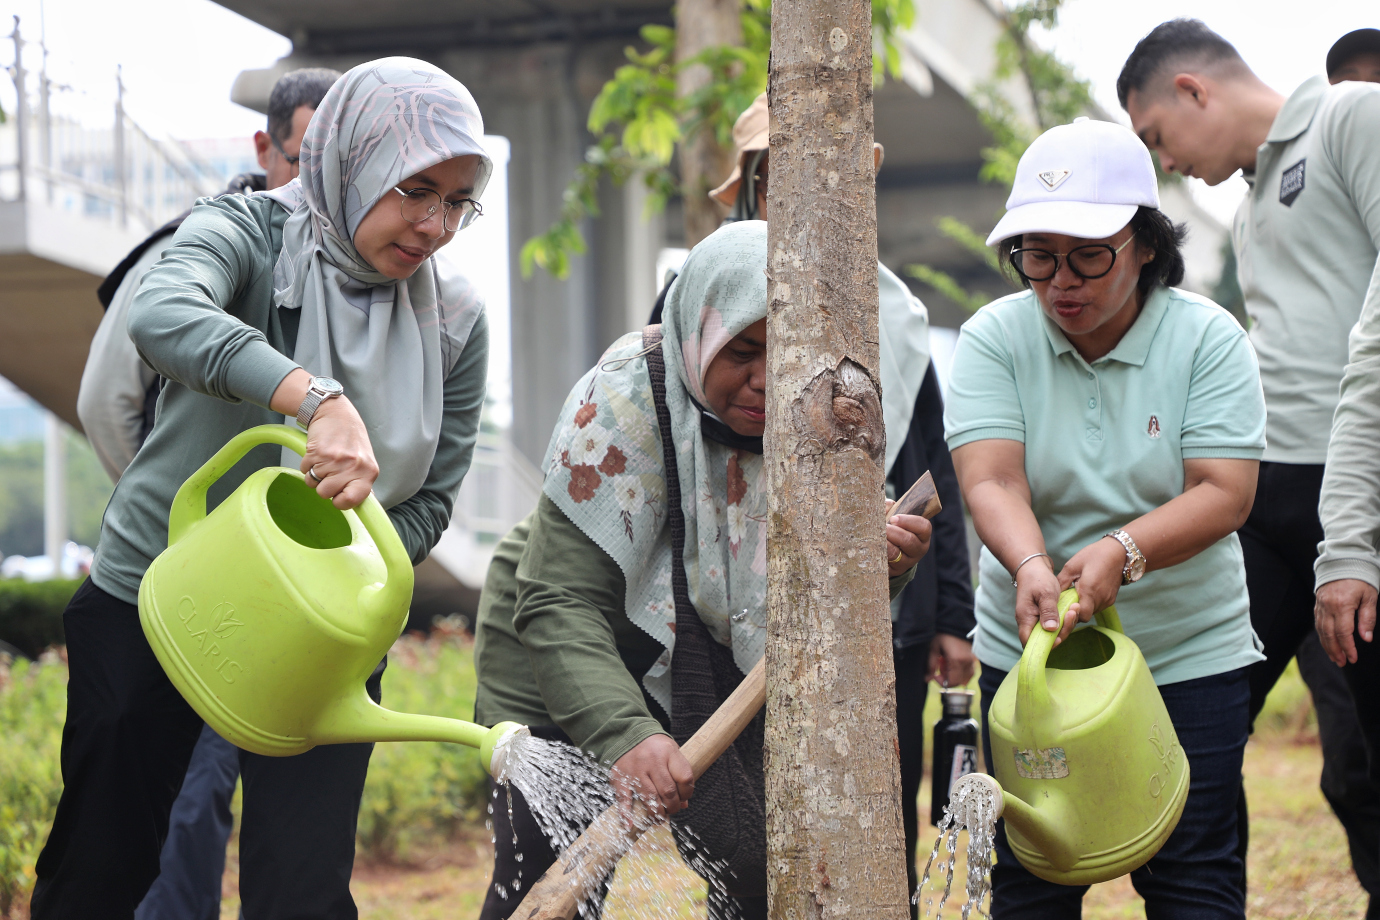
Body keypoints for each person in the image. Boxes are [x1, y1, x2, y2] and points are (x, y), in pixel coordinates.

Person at [32, 57, 492, 920]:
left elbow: (432, 496)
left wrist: (336, 578)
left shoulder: (456, 319)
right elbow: (163, 314)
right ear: (354, 158)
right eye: (415, 190)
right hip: (158, 599)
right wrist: (316, 398)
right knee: (103, 867)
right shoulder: (243, 232)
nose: (435, 225)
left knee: (303, 892)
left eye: (458, 202)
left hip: (318, 635)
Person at [473, 220, 935, 920]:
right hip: (566, 651)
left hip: (716, 664)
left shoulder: (824, 418)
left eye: (781, 358)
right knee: (556, 872)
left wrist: (885, 566)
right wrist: (628, 736)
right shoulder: (625, 396)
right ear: (699, 336)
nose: (761, 381)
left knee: (759, 867)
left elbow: (816, 592)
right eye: (741, 351)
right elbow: (558, 601)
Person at [657, 94, 976, 906]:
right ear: (749, 191)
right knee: (748, 818)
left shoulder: (892, 315)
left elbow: (930, 461)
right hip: (739, 605)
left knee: (877, 802)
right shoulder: (707, 305)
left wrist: (949, 615)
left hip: (883, 604)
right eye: (778, 178)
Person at [947, 116, 1266, 918]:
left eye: (1089, 255)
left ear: (1147, 244)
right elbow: (991, 481)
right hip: (1034, 660)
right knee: (1033, 872)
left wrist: (1123, 549)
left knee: (1193, 867)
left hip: (1187, 651)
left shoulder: (1206, 340)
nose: (1062, 283)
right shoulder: (995, 338)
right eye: (1038, 257)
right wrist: (1029, 566)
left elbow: (1224, 490)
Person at [1118, 19, 1380, 909]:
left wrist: (1353, 531)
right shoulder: (1253, 196)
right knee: (1193, 726)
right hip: (1267, 496)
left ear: (1194, 89)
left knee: (1361, 762)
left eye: (1156, 137)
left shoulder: (1352, 119)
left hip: (1357, 486)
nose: (1166, 162)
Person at [75, 67, 340, 920]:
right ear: (266, 149)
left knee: (286, 842)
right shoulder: (196, 246)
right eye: (311, 161)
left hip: (295, 605)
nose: (333, 189)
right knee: (180, 811)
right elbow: (107, 402)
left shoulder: (379, 281)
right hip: (190, 592)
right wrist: (194, 538)